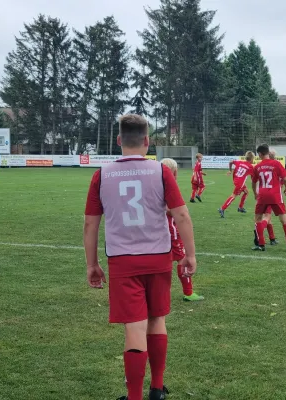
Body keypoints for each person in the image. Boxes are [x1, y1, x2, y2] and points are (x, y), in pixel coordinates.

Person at [83, 114, 196, 400]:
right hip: (158, 256)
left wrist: (92, 264)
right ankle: (156, 388)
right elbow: (181, 214)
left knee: (134, 327)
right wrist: (190, 255)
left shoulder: (102, 174)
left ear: (119, 140)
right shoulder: (161, 171)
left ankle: (134, 397)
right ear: (147, 141)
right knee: (157, 320)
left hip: (123, 260)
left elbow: (90, 223)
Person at [161, 157, 205, 302]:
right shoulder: (168, 185)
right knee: (182, 258)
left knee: (162, 259)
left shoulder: (153, 184)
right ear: (174, 172)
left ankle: (159, 293)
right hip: (170, 229)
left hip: (157, 229)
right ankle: (188, 292)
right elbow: (169, 209)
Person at [252, 144, 286, 252]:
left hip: (262, 195)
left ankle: (261, 245)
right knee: (284, 220)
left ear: (260, 154)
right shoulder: (276, 164)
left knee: (258, 219)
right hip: (275, 195)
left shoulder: (257, 167)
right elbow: (285, 179)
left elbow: (254, 182)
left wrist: (255, 193)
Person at [218, 151, 255, 218]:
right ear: (252, 159)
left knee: (246, 192)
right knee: (233, 196)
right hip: (240, 184)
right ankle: (222, 208)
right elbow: (253, 179)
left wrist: (230, 170)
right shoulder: (250, 167)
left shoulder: (240, 162)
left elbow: (230, 162)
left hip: (236, 180)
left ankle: (240, 207)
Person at [253, 150, 278, 245]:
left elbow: (254, 180)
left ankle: (272, 239)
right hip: (272, 195)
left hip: (261, 194)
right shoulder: (275, 166)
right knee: (267, 217)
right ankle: (259, 230)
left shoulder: (260, 166)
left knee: (265, 217)